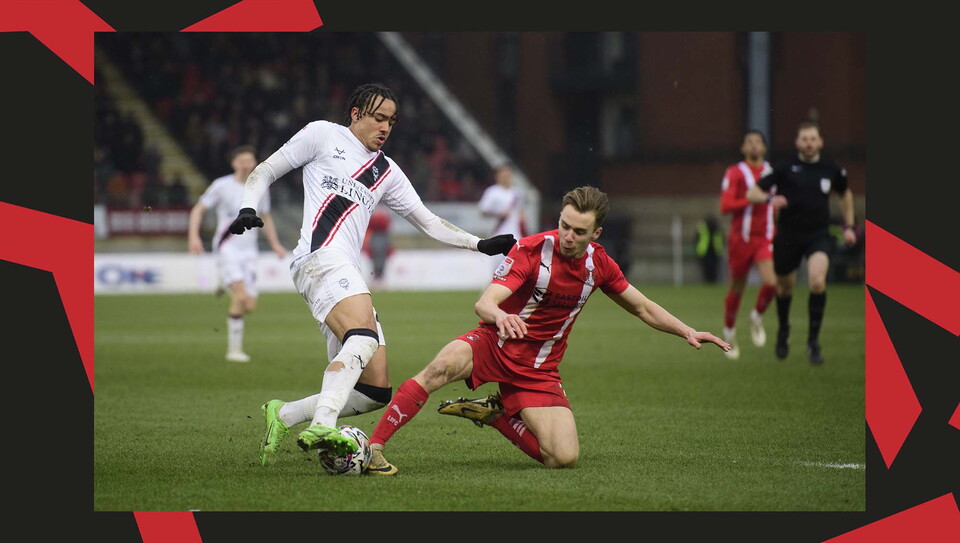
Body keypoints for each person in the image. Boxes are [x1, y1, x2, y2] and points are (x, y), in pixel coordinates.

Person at [226, 83, 516, 465]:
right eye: (379, 118)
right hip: (320, 258)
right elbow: (266, 170)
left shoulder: (386, 171)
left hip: (344, 268)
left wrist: (479, 244)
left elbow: (427, 220)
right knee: (362, 338)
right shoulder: (322, 134)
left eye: (392, 122)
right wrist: (248, 207)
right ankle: (325, 424)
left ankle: (284, 414)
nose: (385, 127)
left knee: (374, 391)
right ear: (356, 113)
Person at [363, 186, 730, 475]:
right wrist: (498, 316)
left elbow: (642, 307)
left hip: (539, 369)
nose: (568, 235)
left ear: (596, 232)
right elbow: (485, 303)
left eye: (579, 231)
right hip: (497, 343)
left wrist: (687, 331)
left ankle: (497, 415)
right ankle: (374, 447)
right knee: (438, 369)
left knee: (563, 458)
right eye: (564, 225)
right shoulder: (531, 251)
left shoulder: (598, 264)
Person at [746, 121, 857, 365]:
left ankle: (813, 342)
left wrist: (849, 226)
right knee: (784, 288)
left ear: (820, 142)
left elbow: (845, 193)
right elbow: (752, 193)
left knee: (817, 281)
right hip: (788, 236)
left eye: (813, 139)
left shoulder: (831, 168)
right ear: (797, 143)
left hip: (818, 234)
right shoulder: (784, 167)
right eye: (804, 139)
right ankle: (783, 330)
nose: (809, 143)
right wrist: (770, 198)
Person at [188, 144, 286, 363]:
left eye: (249, 160)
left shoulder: (261, 187)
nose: (245, 164)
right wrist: (193, 237)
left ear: (255, 163)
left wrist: (276, 244)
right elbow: (198, 209)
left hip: (248, 251)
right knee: (240, 297)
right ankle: (234, 350)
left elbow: (266, 217)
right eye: (240, 160)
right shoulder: (221, 185)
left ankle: (225, 283)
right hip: (227, 248)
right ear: (233, 163)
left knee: (249, 305)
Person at [717, 130, 780, 360]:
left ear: (764, 147)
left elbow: (776, 202)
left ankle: (756, 316)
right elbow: (725, 206)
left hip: (764, 238)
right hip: (740, 240)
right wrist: (753, 199)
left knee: (772, 283)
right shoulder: (735, 172)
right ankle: (729, 332)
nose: (754, 146)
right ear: (743, 148)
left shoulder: (772, 172)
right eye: (749, 142)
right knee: (737, 288)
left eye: (758, 142)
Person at [477, 163, 528, 277]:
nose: (505, 175)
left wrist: (525, 232)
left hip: (515, 236)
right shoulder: (492, 192)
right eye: (503, 172)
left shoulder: (517, 193)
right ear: (497, 175)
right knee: (497, 269)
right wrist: (499, 214)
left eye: (508, 172)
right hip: (498, 234)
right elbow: (483, 211)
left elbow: (521, 214)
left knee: (515, 268)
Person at [693, 215, 724, 284]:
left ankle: (712, 281)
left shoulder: (715, 229)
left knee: (713, 269)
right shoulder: (704, 228)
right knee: (707, 269)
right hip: (705, 251)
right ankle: (708, 281)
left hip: (713, 251)